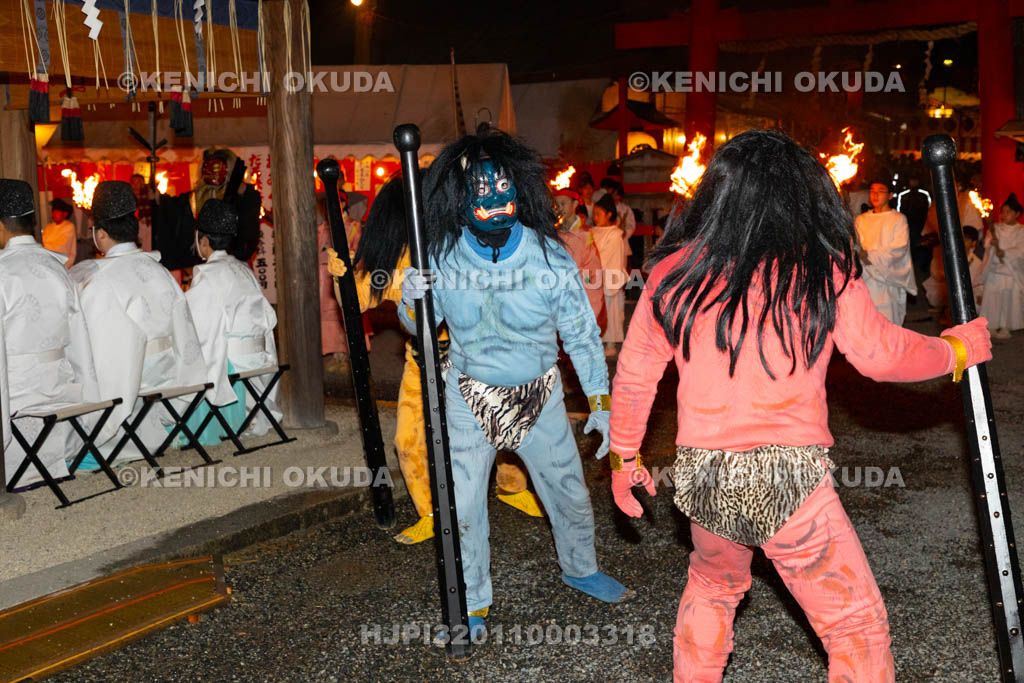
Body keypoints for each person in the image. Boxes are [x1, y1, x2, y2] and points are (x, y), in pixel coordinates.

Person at [607, 130, 992, 681]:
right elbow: (883, 355)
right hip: (788, 477)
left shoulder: (673, 272)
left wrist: (624, 458)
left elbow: (636, 374)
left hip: (702, 475)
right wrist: (955, 349)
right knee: (855, 627)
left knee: (713, 586)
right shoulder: (820, 267)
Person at [401, 126, 633, 638]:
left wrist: (602, 402)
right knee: (460, 506)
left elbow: (581, 336)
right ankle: (474, 601)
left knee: (569, 494)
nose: (494, 202)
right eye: (480, 193)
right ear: (459, 199)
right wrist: (409, 297)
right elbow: (419, 326)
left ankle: (580, 568)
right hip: (467, 395)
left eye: (503, 189)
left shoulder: (549, 257)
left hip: (540, 396)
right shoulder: (439, 256)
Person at [327, 176, 543, 545]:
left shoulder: (466, 242)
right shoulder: (397, 256)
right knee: (409, 440)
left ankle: (512, 486)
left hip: (478, 359)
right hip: (423, 362)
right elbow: (358, 302)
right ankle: (430, 510)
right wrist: (343, 276)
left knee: (503, 428)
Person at [70, 181, 207, 466]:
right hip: (169, 379)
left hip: (130, 383)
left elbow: (96, 348)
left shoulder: (100, 280)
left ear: (101, 234)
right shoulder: (162, 272)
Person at [0, 179, 98, 486]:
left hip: (16, 390)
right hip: (57, 385)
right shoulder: (57, 268)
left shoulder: (3, 270)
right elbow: (79, 336)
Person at [185, 199, 281, 444]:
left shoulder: (207, 274)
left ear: (203, 241)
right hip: (259, 358)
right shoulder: (243, 269)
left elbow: (201, 328)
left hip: (232, 363)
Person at [150, 148, 263, 273]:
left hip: (232, 265)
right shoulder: (196, 197)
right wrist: (159, 199)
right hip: (202, 263)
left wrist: (245, 192)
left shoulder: (238, 196)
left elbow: (248, 230)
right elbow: (176, 210)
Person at [854, 177, 917, 325]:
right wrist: (861, 256)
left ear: (890, 195)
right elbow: (857, 246)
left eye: (880, 191)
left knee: (887, 325)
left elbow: (898, 249)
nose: (875, 195)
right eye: (872, 191)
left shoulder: (898, 219)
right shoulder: (861, 220)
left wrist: (869, 256)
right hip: (866, 280)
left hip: (888, 281)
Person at [554, 187, 605, 330]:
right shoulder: (558, 231)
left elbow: (576, 263)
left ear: (575, 204)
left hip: (584, 283)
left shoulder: (584, 232)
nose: (559, 208)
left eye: (563, 203)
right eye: (557, 204)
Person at [979, 193, 1024, 338]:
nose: (1004, 215)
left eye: (1008, 212)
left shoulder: (1021, 231)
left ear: (1017, 214)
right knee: (992, 298)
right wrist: (992, 246)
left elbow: (1021, 250)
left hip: (1010, 272)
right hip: (995, 270)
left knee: (1007, 300)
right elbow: (987, 243)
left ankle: (1006, 327)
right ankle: (991, 326)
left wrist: (1004, 252)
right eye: (1003, 212)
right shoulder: (995, 228)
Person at [591, 193, 628, 354]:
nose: (595, 217)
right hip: (592, 276)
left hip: (609, 277)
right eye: (594, 214)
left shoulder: (615, 235)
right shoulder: (591, 232)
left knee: (610, 310)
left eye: (599, 214)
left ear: (609, 214)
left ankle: (611, 342)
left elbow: (609, 257)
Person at [42, 197, 77, 268]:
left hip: (63, 264)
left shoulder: (69, 226)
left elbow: (61, 246)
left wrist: (44, 248)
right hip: (48, 262)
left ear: (65, 214)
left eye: (57, 211)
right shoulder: (49, 227)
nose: (54, 213)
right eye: (53, 211)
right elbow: (42, 241)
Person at [962, 226, 985, 303]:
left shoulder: (977, 262)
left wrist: (979, 294)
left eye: (966, 239)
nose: (962, 241)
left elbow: (979, 284)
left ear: (973, 243)